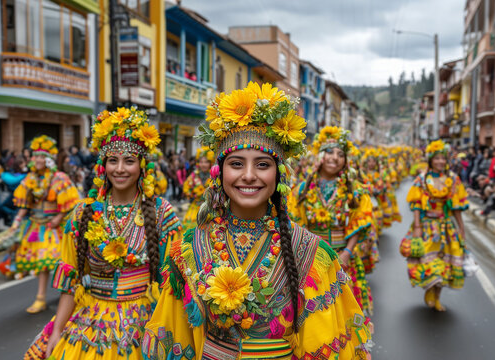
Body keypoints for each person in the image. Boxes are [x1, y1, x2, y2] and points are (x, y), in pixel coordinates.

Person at [142, 82, 372, 359]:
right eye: (236, 164)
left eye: (262, 164)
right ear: (219, 173)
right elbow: (176, 337)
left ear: (279, 175)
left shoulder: (309, 251)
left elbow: (319, 343)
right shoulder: (190, 248)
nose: (249, 175)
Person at [24, 107, 182, 359]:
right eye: (113, 160)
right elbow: (71, 282)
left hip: (145, 324)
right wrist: (57, 330)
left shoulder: (162, 213)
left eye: (129, 161)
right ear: (103, 165)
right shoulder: (81, 214)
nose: (120, 169)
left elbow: (171, 286)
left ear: (142, 165)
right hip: (90, 322)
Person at [290, 126, 375, 318]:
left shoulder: (354, 191)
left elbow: (357, 223)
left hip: (342, 256)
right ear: (319, 156)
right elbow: (296, 224)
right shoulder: (302, 189)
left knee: (342, 311)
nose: (334, 158)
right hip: (310, 257)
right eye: (329, 152)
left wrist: (347, 253)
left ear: (346, 162)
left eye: (340, 154)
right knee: (314, 312)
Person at [11, 135, 80, 313]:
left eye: (42, 157)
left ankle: (73, 291)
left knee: (66, 262)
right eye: (36, 156)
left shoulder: (59, 178)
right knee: (42, 264)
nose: (38, 160)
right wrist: (16, 221)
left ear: (49, 160)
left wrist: (59, 217)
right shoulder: (30, 179)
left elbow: (72, 202)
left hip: (56, 226)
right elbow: (25, 204)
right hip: (37, 226)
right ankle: (40, 298)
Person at [401, 139, 469, 311]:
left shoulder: (453, 180)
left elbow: (456, 207)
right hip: (426, 226)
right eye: (437, 158)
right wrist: (417, 226)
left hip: (446, 228)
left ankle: (437, 296)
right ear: (431, 159)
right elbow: (416, 204)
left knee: (445, 263)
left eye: (443, 158)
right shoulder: (422, 179)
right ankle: (429, 289)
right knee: (428, 262)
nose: (440, 162)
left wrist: (461, 227)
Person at [181, 146, 213, 230]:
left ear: (210, 163)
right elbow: (186, 188)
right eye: (201, 162)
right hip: (195, 207)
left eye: (206, 162)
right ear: (198, 163)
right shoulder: (194, 175)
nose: (203, 164)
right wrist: (191, 195)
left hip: (211, 209)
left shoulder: (214, 177)